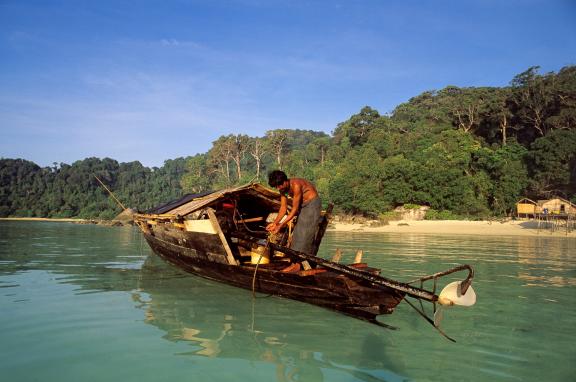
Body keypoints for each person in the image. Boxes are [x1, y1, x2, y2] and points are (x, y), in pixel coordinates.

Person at [266, 170, 321, 255]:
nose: (279, 188)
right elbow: (283, 208)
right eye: (277, 186)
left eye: (280, 185)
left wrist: (280, 226)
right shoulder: (282, 189)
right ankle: (295, 261)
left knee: (305, 234)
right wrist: (275, 223)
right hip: (303, 206)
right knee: (297, 234)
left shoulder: (296, 185)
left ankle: (302, 262)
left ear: (285, 180)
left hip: (312, 204)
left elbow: (294, 210)